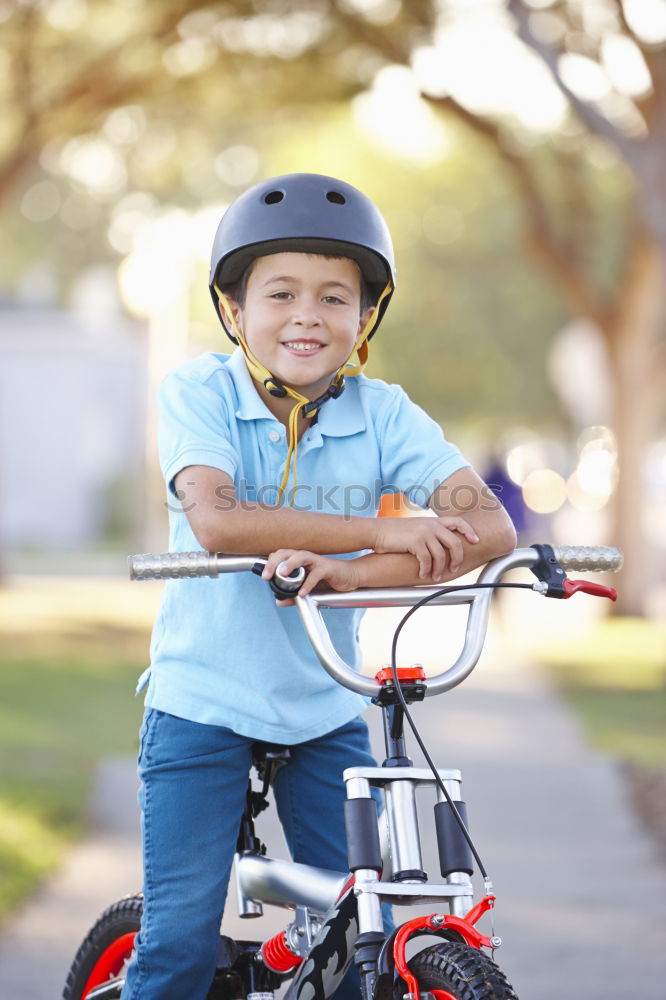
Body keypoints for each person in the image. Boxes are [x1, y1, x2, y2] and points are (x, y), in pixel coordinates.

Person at [122, 173, 516, 1000]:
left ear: (364, 318)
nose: (308, 314)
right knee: (181, 945)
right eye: (281, 293)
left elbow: (490, 531)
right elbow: (220, 522)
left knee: (361, 930)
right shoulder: (202, 391)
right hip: (203, 700)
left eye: (336, 296)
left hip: (324, 703)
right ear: (234, 310)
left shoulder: (385, 413)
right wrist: (383, 527)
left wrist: (349, 571)